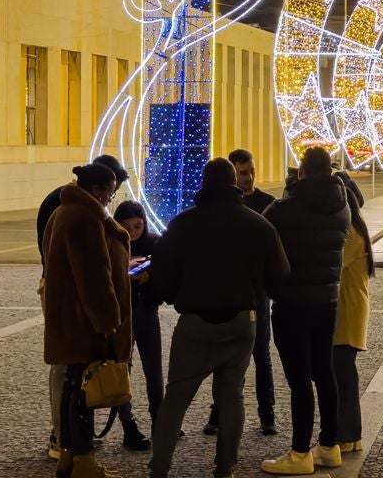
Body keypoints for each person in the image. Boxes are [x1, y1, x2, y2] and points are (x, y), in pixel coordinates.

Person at [147, 157, 292, 478]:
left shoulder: (183, 224)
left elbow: (161, 271)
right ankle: (225, 467)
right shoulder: (258, 224)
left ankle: (159, 468)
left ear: (204, 184)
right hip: (241, 321)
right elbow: (280, 274)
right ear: (233, 185)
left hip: (195, 323)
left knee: (176, 397)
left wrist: (172, 295)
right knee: (232, 396)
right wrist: (257, 292)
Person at [261, 145, 351, 474]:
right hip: (327, 298)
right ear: (330, 170)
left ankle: (300, 453)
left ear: (302, 170)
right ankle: (329, 446)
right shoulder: (343, 207)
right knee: (323, 372)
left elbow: (261, 237)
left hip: (293, 301)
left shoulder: (286, 207)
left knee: (299, 379)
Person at [42, 161, 134, 478]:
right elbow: (94, 277)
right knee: (83, 393)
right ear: (97, 191)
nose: (111, 199)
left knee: (72, 388)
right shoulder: (84, 218)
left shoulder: (63, 213)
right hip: (84, 323)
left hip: (69, 318)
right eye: (110, 193)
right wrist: (107, 321)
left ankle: (69, 455)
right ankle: (84, 461)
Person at [206, 149, 279, 438]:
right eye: (244, 172)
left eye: (252, 171)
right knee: (223, 355)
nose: (250, 178)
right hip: (227, 291)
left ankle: (267, 414)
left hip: (258, 292)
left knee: (261, 354)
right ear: (232, 174)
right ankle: (218, 412)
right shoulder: (219, 207)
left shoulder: (268, 204)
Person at [113, 200, 164, 451]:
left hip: (147, 313)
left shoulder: (154, 243)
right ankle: (128, 425)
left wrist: (150, 277)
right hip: (122, 318)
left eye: (137, 226)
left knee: (154, 371)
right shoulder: (112, 245)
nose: (133, 232)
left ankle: (160, 421)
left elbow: (165, 280)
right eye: (126, 227)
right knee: (123, 373)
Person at [331, 178, 375, 456]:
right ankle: (347, 434)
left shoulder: (350, 236)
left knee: (344, 376)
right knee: (342, 374)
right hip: (348, 311)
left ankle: (348, 435)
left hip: (347, 313)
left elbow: (332, 263)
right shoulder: (355, 230)